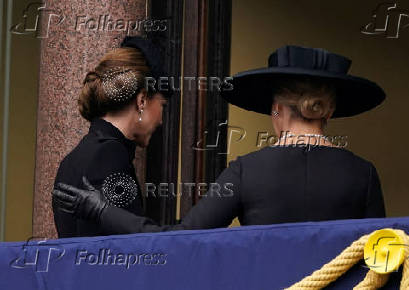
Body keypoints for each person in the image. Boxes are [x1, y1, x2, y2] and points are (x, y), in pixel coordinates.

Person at [53, 45, 386, 236]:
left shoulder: (246, 172)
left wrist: (102, 211)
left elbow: (179, 242)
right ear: (328, 113)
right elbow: (381, 260)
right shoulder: (364, 174)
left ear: (275, 110)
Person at [52, 36, 169, 238]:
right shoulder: (109, 154)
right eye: (162, 104)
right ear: (142, 100)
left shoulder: (75, 157)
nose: (160, 120)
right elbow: (125, 247)